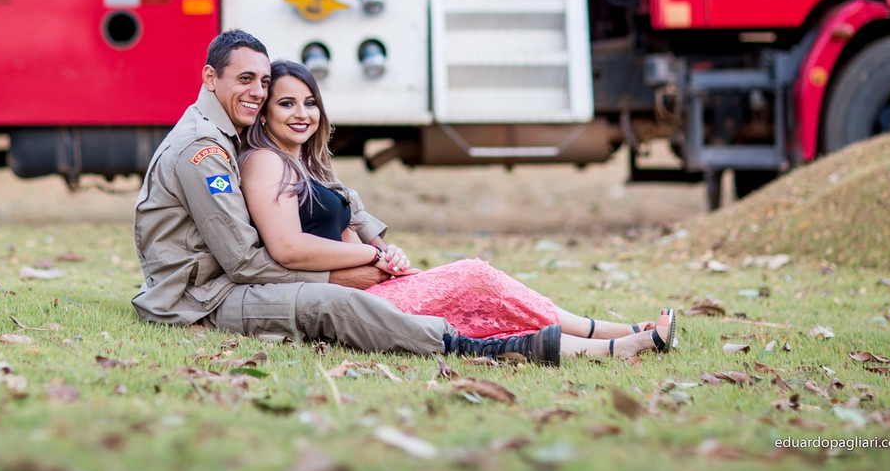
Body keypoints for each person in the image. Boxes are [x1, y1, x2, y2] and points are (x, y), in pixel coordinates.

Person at [238, 59, 677, 362]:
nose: (303, 114)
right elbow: (288, 247)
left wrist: (383, 253)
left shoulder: (306, 164)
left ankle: (617, 337)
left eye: (310, 102)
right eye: (287, 103)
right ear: (263, 114)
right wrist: (371, 259)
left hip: (376, 286)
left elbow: (340, 235)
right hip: (358, 302)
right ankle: (613, 338)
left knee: (483, 297)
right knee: (475, 279)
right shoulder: (264, 161)